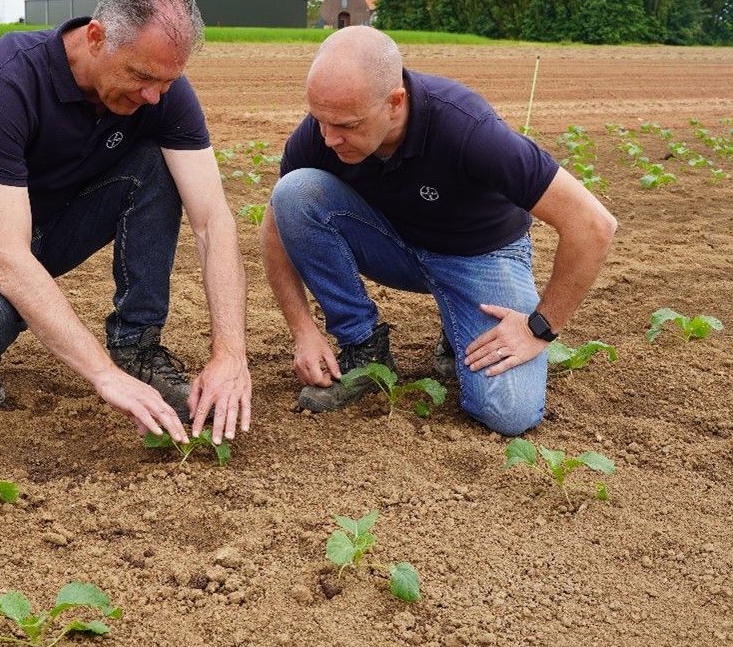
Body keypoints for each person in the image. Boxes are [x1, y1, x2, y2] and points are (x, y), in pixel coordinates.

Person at [0, 0, 250, 444]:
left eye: (167, 83)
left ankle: (136, 347)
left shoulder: (161, 92)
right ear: (95, 38)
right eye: (141, 75)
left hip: (53, 222)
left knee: (157, 166)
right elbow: (4, 255)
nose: (154, 96)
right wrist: (102, 376)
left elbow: (213, 222)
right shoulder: (7, 77)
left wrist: (230, 353)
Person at [260, 26, 616, 435]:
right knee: (294, 192)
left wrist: (541, 326)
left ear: (395, 102)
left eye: (347, 125)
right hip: (396, 245)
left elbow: (593, 225)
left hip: (480, 256)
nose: (329, 137)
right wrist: (303, 330)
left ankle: (459, 326)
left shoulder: (467, 128)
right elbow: (275, 230)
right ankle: (364, 347)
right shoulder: (323, 132)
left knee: (508, 412)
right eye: (320, 120)